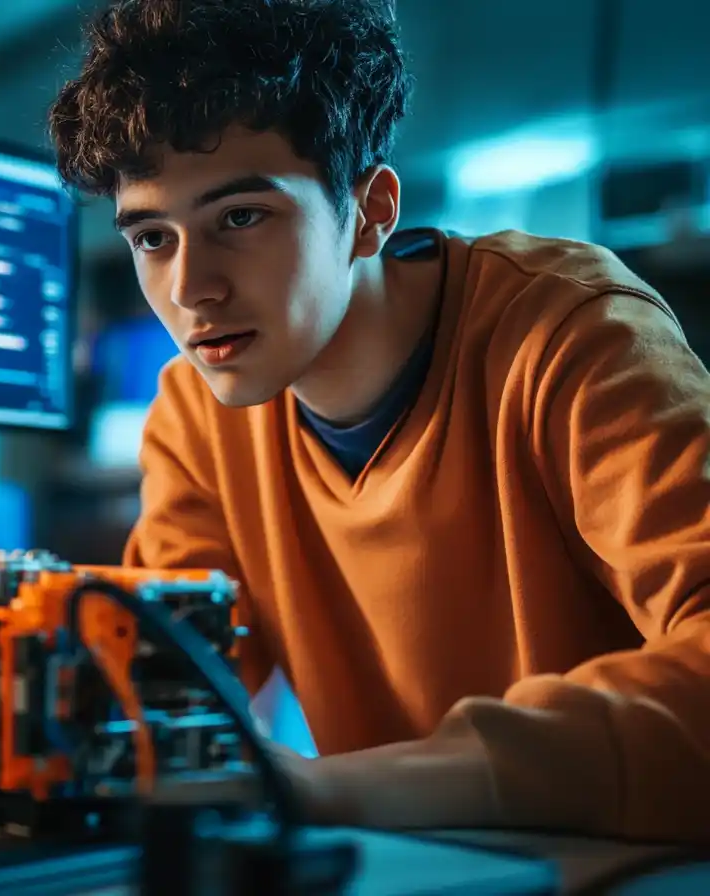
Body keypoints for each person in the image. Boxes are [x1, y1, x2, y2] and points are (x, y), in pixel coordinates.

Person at [48, 0, 710, 841]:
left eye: (240, 218)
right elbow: (169, 687)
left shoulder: (572, 334)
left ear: (370, 210)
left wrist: (328, 792)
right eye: (152, 238)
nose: (191, 290)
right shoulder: (195, 413)